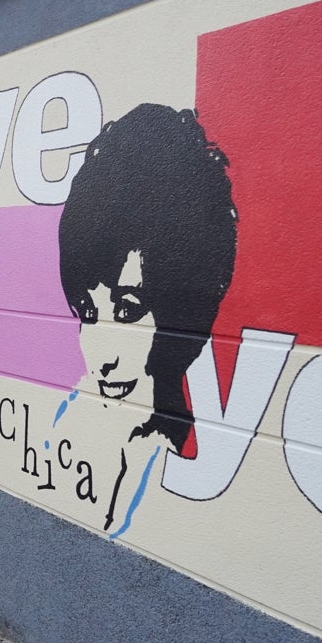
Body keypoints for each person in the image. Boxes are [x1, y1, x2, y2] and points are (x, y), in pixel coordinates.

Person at [58, 104, 237, 534]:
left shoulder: (185, 458)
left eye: (127, 310)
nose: (101, 356)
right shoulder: (73, 416)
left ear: (185, 305)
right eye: (87, 312)